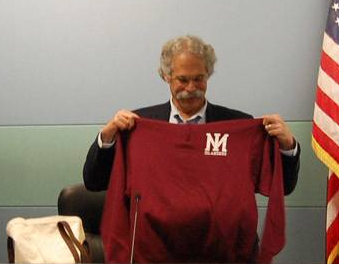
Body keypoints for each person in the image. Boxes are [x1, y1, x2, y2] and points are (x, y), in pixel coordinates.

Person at [83, 34, 301, 194]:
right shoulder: (138, 125)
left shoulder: (238, 125)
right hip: (158, 247)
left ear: (208, 75)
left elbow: (281, 187)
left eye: (199, 78)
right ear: (166, 77)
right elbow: (94, 182)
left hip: (224, 248)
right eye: (183, 80)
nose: (191, 87)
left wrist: (287, 146)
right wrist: (108, 137)